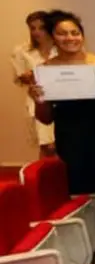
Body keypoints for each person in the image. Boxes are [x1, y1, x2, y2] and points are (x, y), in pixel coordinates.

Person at [28, 10, 95, 264]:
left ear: (82, 35)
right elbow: (45, 119)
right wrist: (39, 100)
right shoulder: (45, 71)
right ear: (53, 38)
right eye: (62, 33)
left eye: (74, 32)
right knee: (81, 199)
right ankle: (88, 260)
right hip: (73, 141)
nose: (70, 38)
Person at [12, 10, 56, 157]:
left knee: (64, 143)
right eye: (32, 28)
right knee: (47, 146)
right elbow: (19, 78)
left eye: (41, 27)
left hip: (61, 99)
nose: (36, 32)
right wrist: (30, 76)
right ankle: (46, 179)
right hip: (38, 100)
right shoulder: (22, 51)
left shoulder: (60, 47)